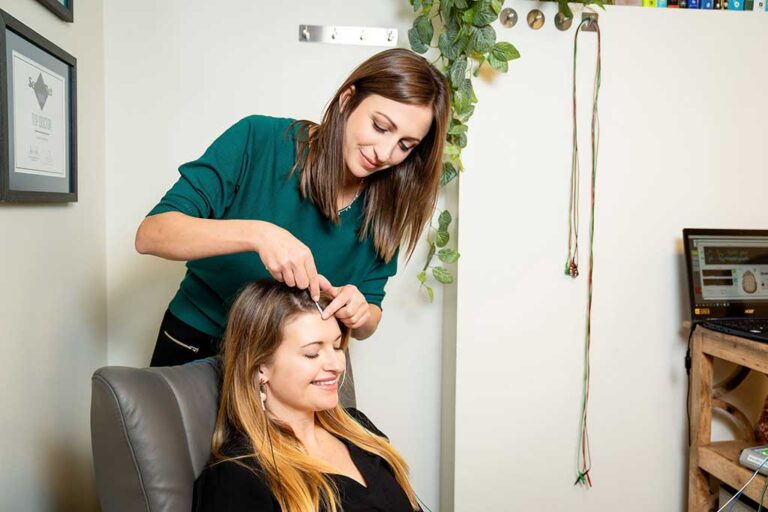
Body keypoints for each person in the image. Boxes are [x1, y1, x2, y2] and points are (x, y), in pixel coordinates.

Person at [135, 48, 450, 369]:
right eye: (380, 127)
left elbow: (370, 314)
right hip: (196, 346)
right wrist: (259, 235)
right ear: (347, 100)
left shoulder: (389, 201)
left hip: (295, 371)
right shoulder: (259, 139)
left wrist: (360, 312)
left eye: (405, 145)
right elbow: (152, 234)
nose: (384, 153)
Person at [193, 281, 421, 512]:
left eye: (337, 346)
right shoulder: (238, 477)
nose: (336, 365)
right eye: (312, 354)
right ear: (261, 367)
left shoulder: (358, 429)